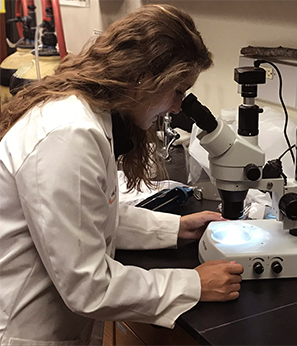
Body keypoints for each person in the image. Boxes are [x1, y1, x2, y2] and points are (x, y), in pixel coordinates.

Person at [0, 4, 243, 345]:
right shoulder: (69, 134)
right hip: (25, 331)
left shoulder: (85, 114)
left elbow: (89, 218)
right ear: (144, 77)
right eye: (177, 90)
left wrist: (176, 228)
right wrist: (193, 284)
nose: (177, 106)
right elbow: (88, 286)